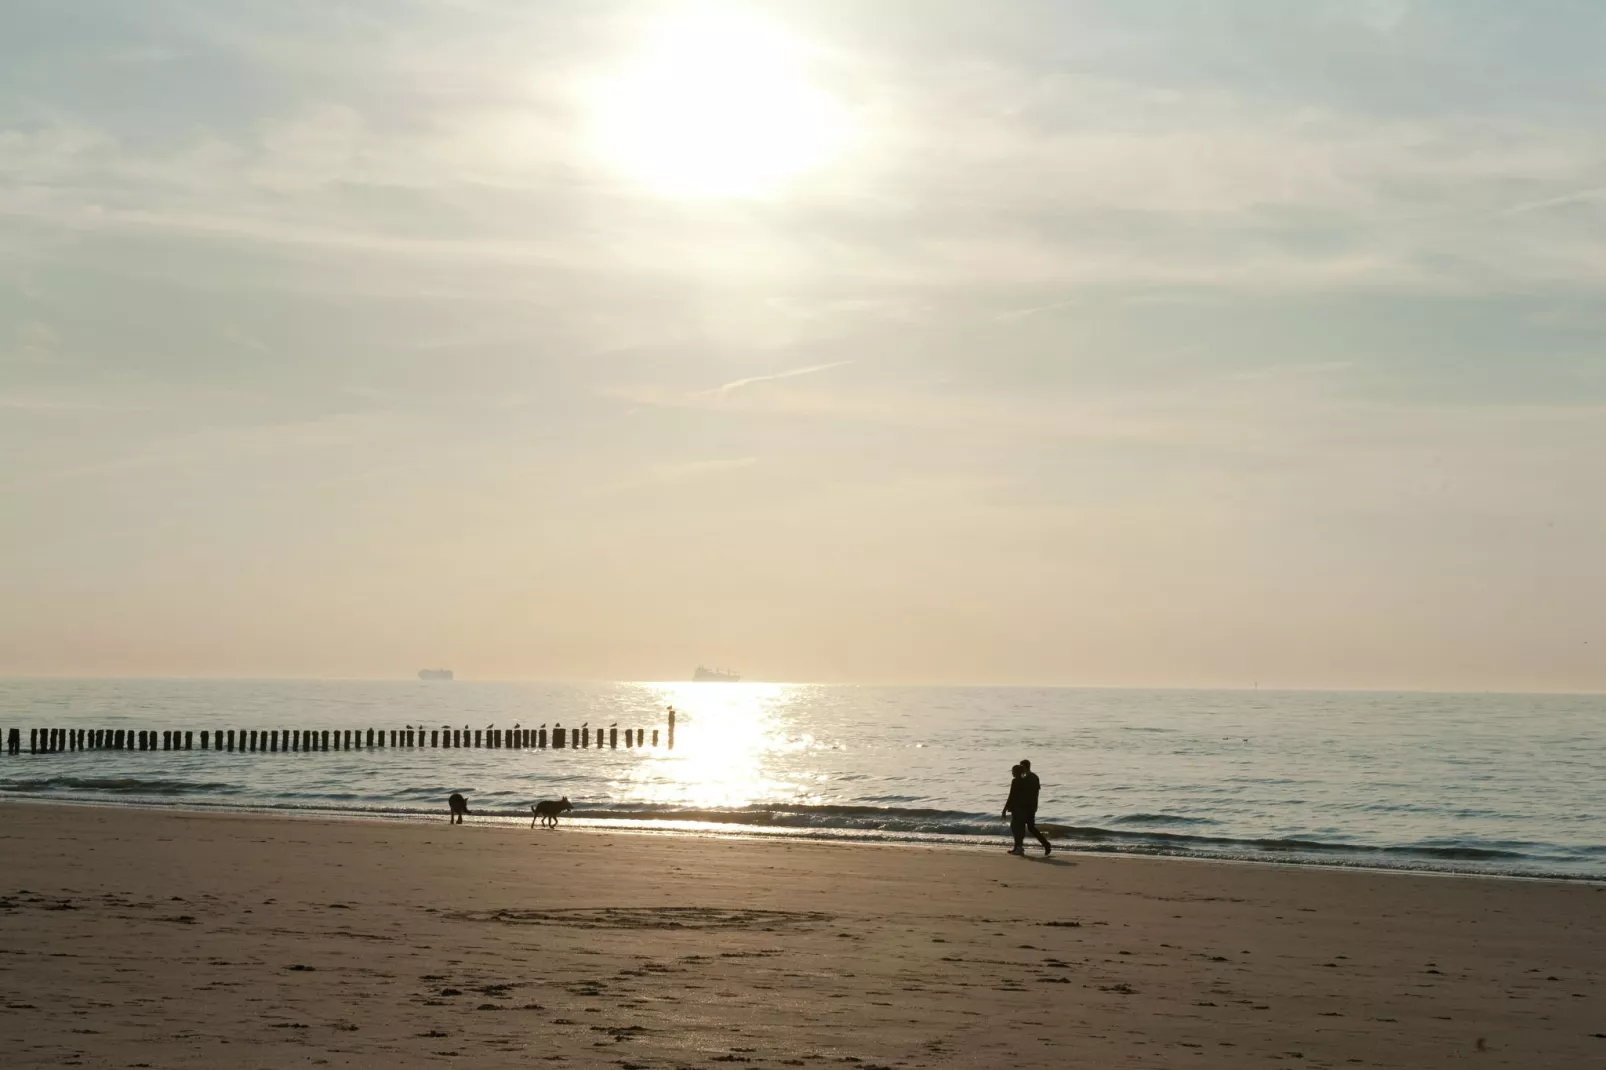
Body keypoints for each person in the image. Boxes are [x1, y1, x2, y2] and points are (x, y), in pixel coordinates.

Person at [1001, 759, 1052, 856]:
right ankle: (1044, 844)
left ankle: (1019, 847)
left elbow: (1013, 795)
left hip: (1024, 807)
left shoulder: (1023, 779)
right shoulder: (1033, 777)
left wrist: (1007, 808)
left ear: (1023, 767)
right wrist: (1034, 805)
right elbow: (1035, 793)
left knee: (1019, 827)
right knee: (1029, 827)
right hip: (1030, 807)